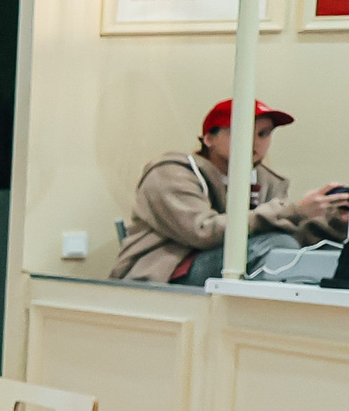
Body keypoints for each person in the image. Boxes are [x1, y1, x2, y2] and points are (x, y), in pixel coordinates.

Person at [111, 98, 348, 282]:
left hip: (227, 267)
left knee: (314, 253)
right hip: (165, 274)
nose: (254, 141)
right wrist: (293, 210)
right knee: (277, 247)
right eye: (240, 129)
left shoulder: (267, 181)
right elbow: (202, 232)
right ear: (208, 138)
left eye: (264, 133)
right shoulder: (170, 172)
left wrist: (335, 221)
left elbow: (293, 239)